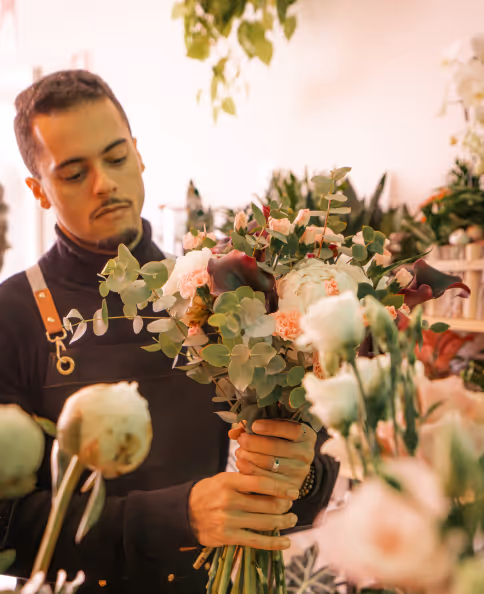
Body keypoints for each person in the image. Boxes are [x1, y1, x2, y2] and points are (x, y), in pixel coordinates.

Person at [0, 70, 339, 594]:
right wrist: (176, 518)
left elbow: (303, 486)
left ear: (138, 154)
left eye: (115, 158)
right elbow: (5, 526)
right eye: (72, 172)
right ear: (38, 190)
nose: (104, 183)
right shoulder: (12, 315)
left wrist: (299, 474)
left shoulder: (224, 291)